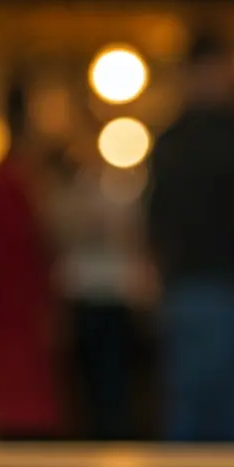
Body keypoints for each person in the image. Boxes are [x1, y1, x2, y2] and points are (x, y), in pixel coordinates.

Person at [145, 34, 234, 441]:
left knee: (187, 404)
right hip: (226, 285)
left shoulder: (169, 138)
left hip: (181, 287)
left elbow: (150, 220)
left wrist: (149, 276)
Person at [0, 82, 61, 440]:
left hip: (7, 315)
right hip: (15, 315)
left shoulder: (4, 181)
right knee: (20, 412)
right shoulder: (16, 183)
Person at [49, 137, 148, 440]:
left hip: (114, 297)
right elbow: (56, 238)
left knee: (114, 382)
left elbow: (135, 240)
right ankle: (89, 438)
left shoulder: (124, 193)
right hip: (83, 296)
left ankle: (112, 437)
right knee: (83, 384)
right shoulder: (70, 194)